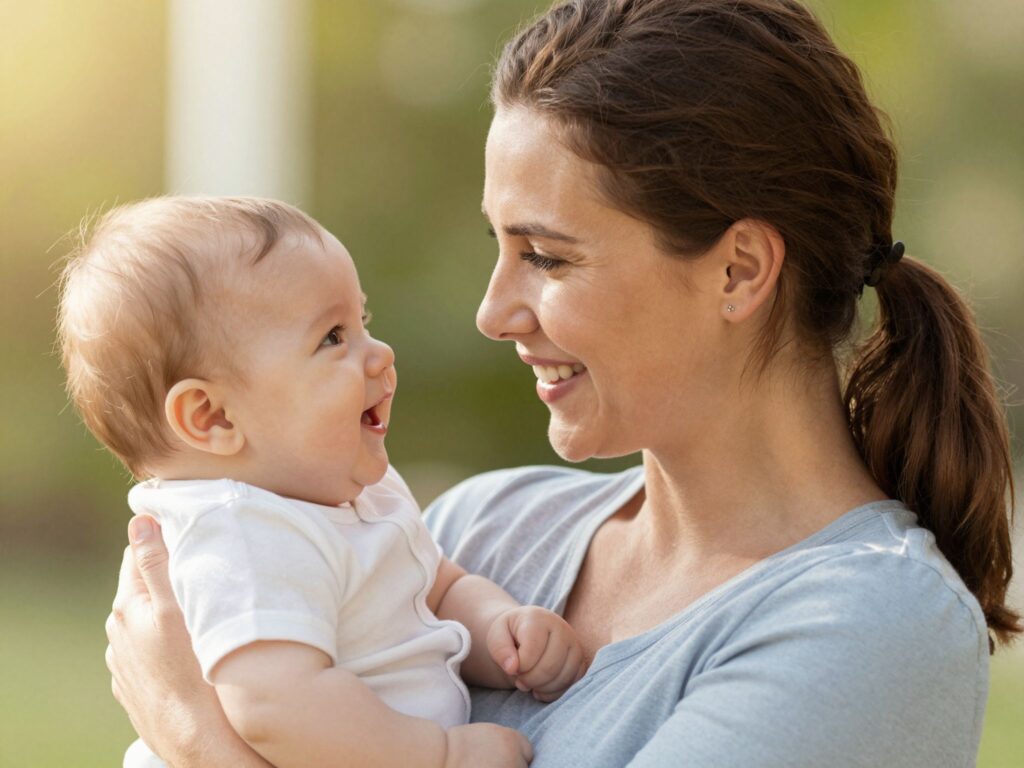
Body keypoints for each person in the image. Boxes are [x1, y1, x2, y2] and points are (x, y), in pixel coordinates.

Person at [104, 1, 1020, 766]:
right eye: (498, 248)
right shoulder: (484, 528)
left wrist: (194, 736)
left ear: (739, 271)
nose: (494, 311)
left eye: (545, 256)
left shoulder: (869, 627)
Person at [60, 196, 589, 768]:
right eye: (333, 337)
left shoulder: (354, 492)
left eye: (365, 322)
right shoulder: (244, 532)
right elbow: (276, 706)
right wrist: (438, 756)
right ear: (212, 417)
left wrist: (498, 629)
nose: (379, 353)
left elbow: (434, 590)